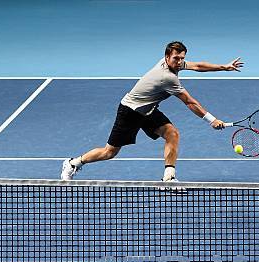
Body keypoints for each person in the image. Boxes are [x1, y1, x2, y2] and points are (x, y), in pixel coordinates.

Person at [60, 41, 243, 182]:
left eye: (181, 58)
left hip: (148, 110)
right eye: (176, 59)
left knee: (172, 133)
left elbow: (197, 66)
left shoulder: (172, 63)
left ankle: (168, 178)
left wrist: (224, 67)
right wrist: (211, 120)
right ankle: (73, 163)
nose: (180, 63)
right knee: (110, 152)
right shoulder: (167, 78)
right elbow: (189, 102)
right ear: (166, 57)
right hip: (130, 112)